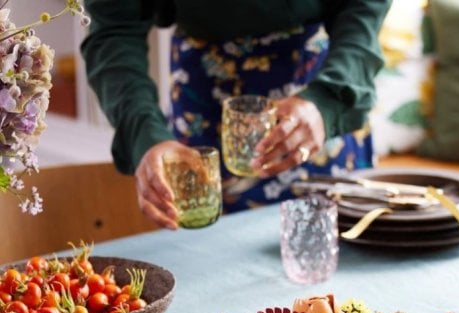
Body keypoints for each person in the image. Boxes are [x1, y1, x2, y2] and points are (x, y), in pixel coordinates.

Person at [81, 0, 391, 229]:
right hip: (203, 93)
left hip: (320, 87)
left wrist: (327, 100)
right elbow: (113, 29)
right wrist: (146, 137)